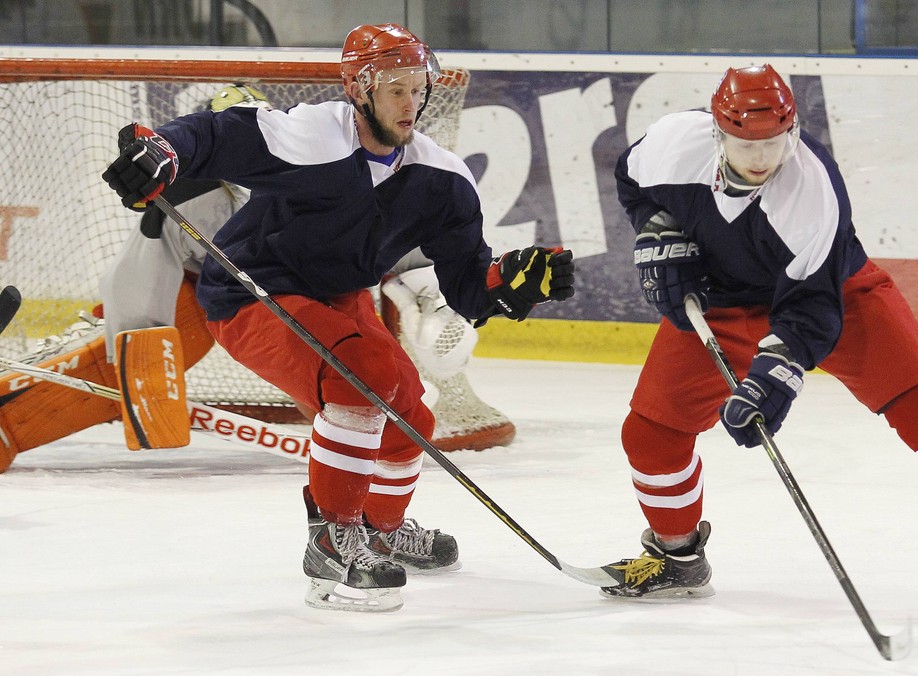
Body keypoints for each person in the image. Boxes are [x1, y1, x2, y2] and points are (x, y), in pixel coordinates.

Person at [101, 23, 575, 612]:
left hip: (340, 296)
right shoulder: (313, 135)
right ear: (360, 88)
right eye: (395, 88)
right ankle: (333, 539)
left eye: (417, 87)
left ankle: (379, 529)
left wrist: (511, 279)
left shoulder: (442, 179)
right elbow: (217, 133)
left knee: (412, 413)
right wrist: (162, 148)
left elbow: (469, 286)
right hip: (254, 293)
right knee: (363, 375)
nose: (411, 103)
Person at [598, 64, 918, 621]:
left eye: (773, 141)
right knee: (650, 433)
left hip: (833, 292)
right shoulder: (674, 141)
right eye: (746, 142)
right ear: (717, 131)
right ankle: (676, 557)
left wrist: (774, 380)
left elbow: (810, 310)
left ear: (791, 131)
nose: (761, 156)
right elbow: (632, 182)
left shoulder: (811, 189)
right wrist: (656, 229)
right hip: (721, 298)